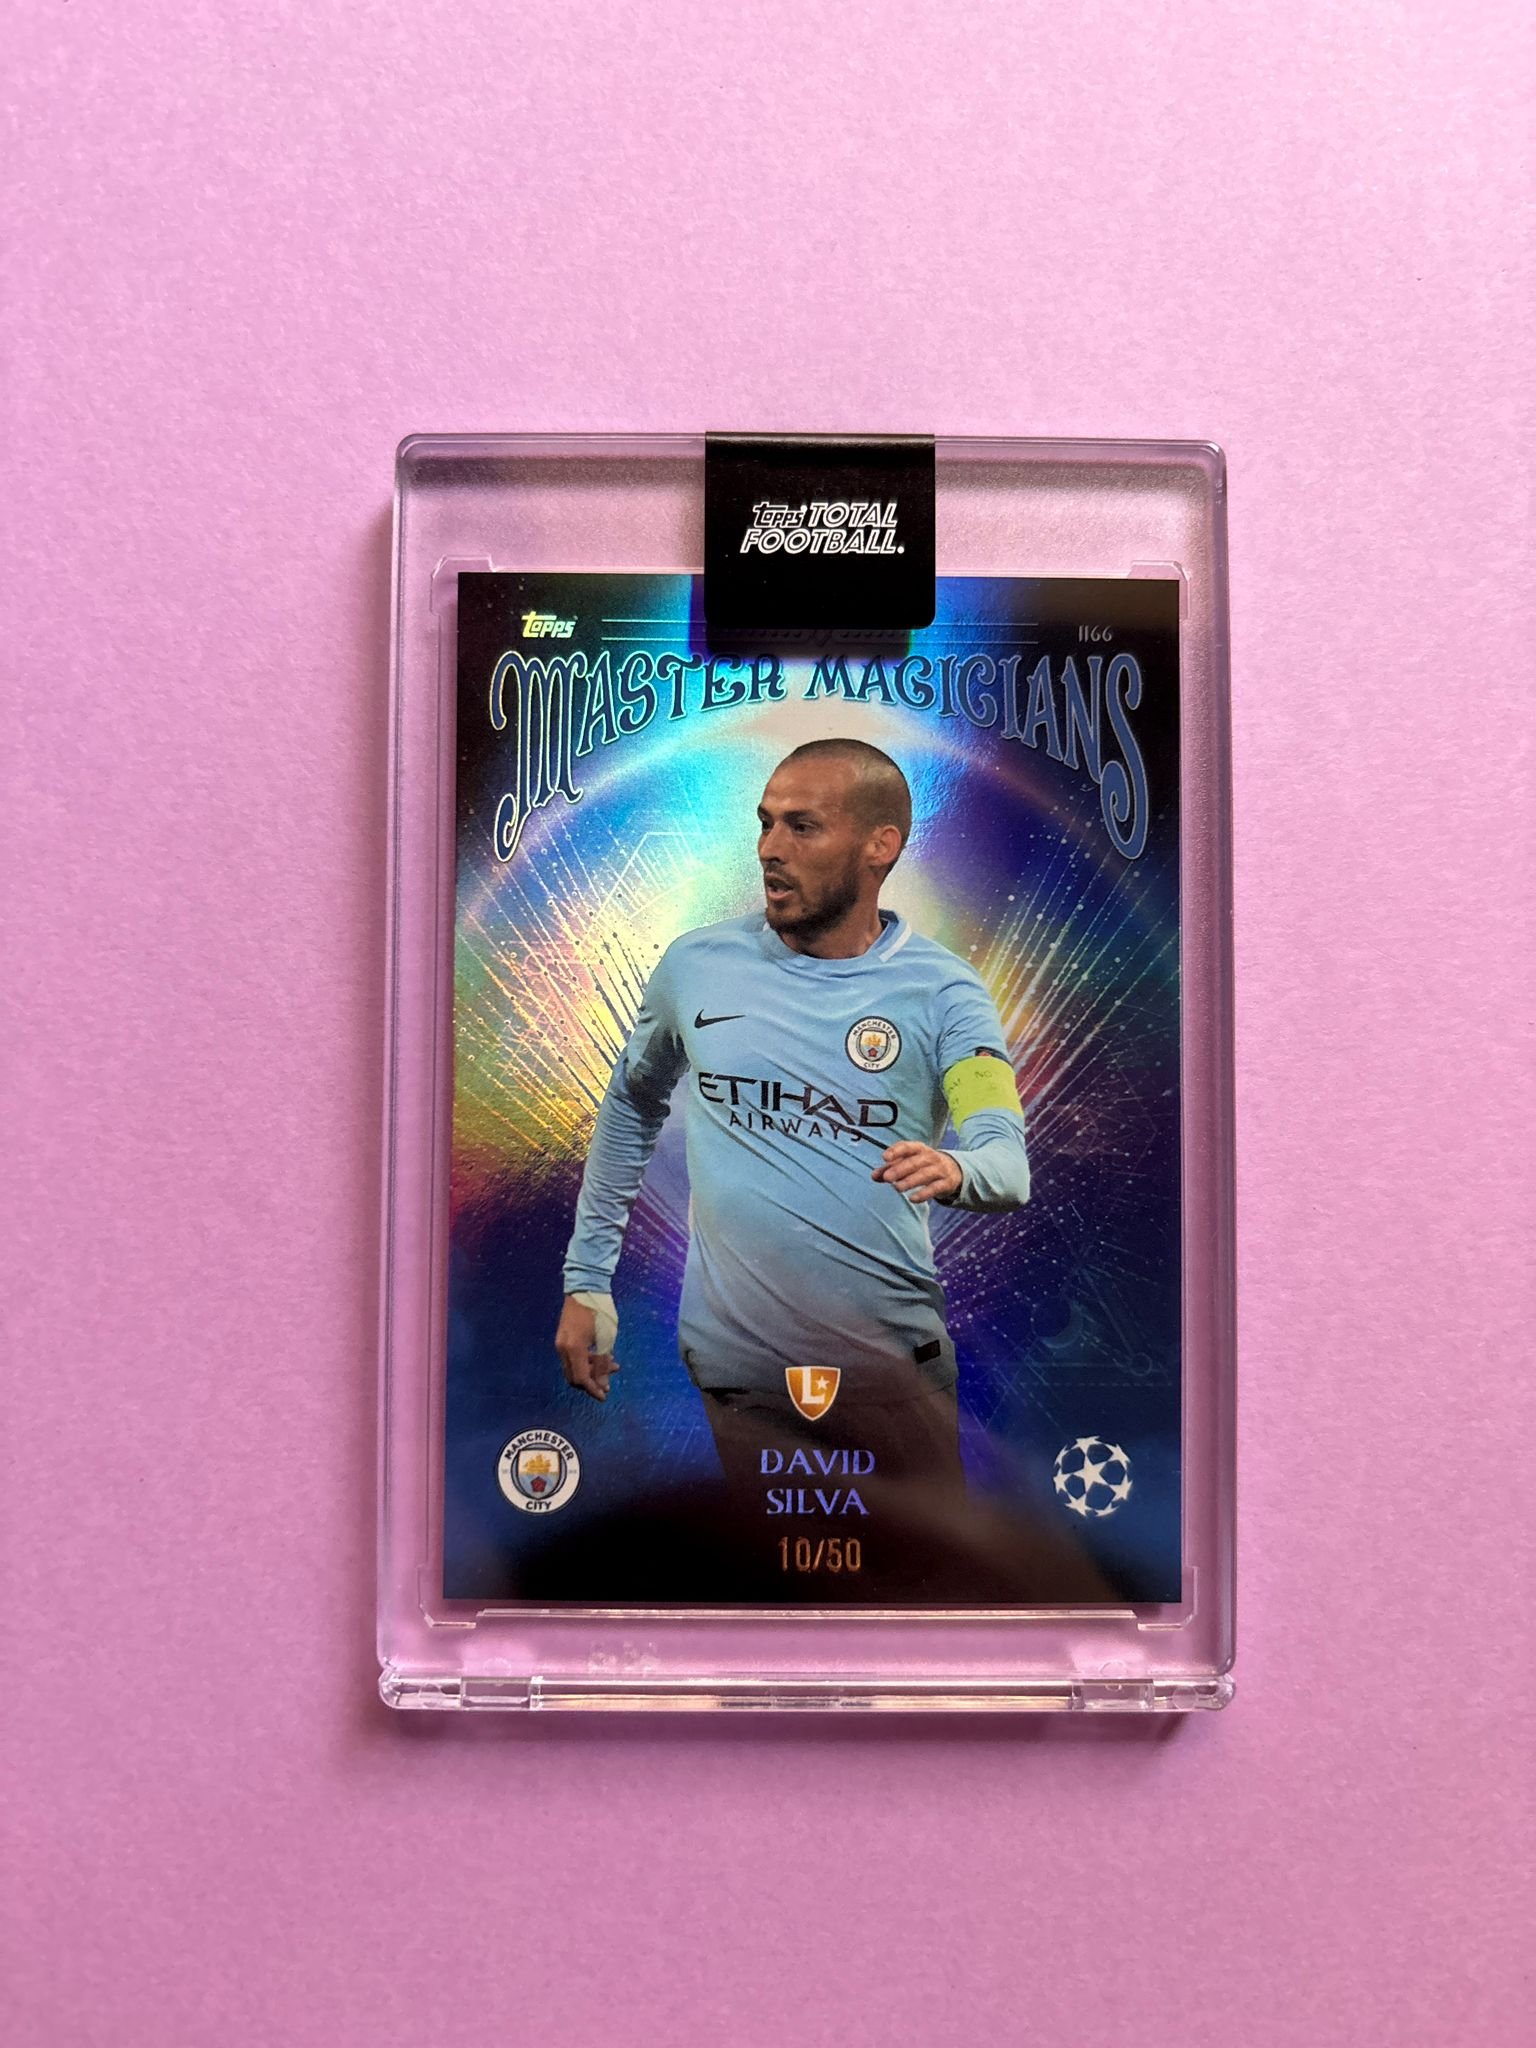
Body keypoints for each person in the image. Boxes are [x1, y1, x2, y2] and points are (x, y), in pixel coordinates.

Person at [554, 737, 1030, 1497]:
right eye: (766, 823)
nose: (770, 849)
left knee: (912, 1572)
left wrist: (957, 1168)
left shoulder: (946, 994)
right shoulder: (696, 966)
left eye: (802, 827)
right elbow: (632, 1104)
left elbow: (1006, 1163)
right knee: (769, 1573)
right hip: (738, 1375)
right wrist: (587, 1280)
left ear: (880, 846)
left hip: (890, 1374)